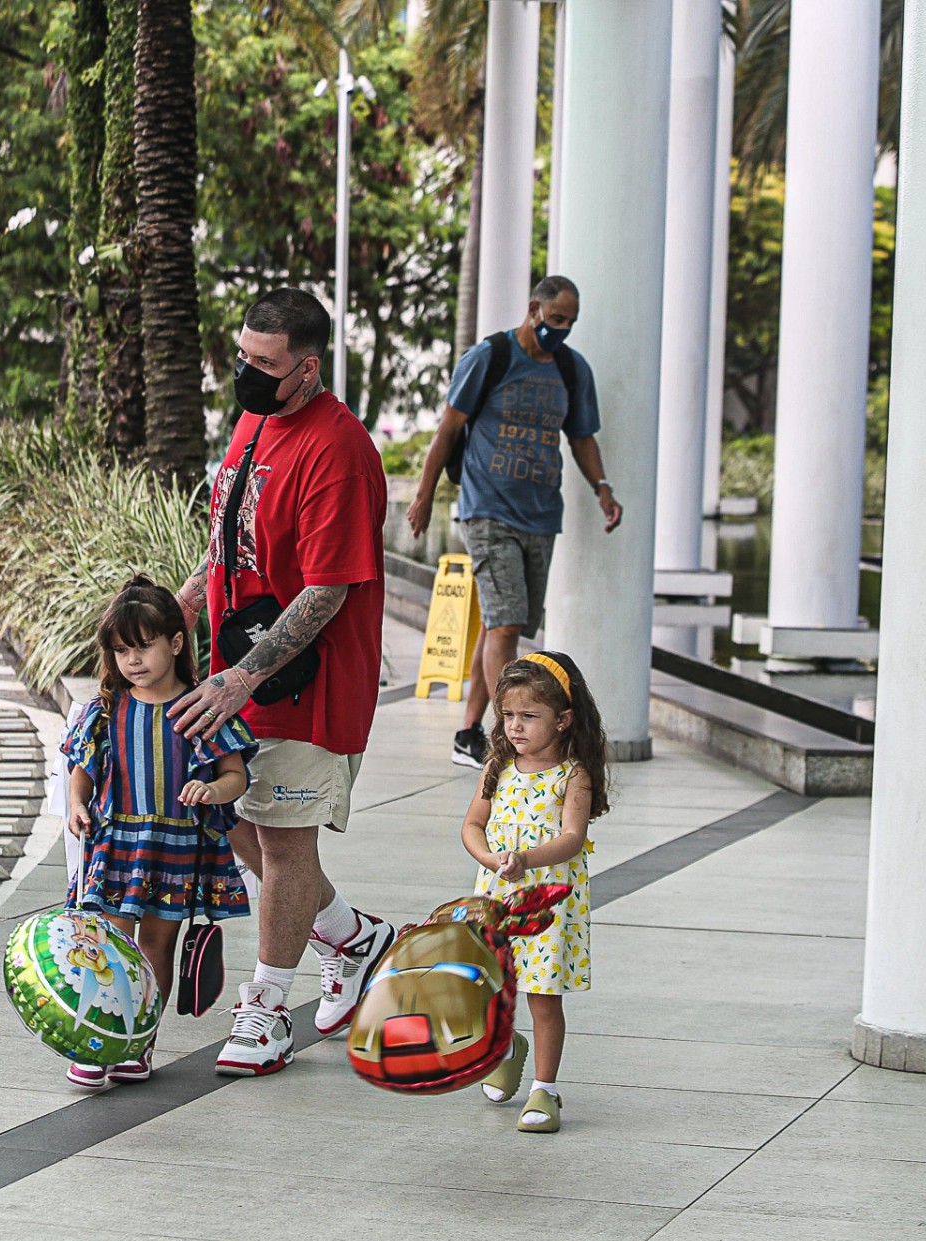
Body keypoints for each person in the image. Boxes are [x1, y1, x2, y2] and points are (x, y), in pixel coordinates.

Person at [167, 286, 397, 1077]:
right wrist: (187, 601)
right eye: (242, 356)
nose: (247, 374)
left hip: (307, 683)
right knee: (235, 821)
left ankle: (266, 1009)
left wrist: (242, 678)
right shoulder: (252, 420)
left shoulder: (339, 448)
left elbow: (328, 590)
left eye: (264, 364)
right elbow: (228, 533)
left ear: (307, 366)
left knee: (281, 842)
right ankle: (354, 937)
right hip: (238, 674)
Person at [405, 277, 623, 768]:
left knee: (509, 625)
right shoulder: (491, 357)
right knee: (504, 622)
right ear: (534, 310)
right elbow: (449, 429)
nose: (562, 330)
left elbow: (583, 437)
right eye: (556, 319)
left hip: (542, 513)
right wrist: (424, 496)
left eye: (570, 323)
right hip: (487, 509)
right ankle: (509, 734)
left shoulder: (570, 370)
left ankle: (469, 732)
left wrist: (603, 489)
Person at [63, 576, 255, 1091]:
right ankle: (96, 1042)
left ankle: (138, 1042)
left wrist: (214, 792)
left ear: (174, 642)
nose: (133, 660)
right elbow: (81, 771)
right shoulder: (106, 709)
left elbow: (234, 775)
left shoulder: (200, 708)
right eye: (122, 650)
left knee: (155, 949)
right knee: (105, 948)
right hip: (116, 845)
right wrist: (78, 806)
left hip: (174, 851)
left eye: (144, 646)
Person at [461, 651, 604, 1134]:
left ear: (563, 720)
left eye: (529, 716)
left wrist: (525, 860)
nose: (515, 727)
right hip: (497, 899)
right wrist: (487, 859)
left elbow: (570, 838)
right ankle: (508, 1048)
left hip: (548, 903)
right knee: (493, 989)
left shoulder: (572, 774)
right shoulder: (498, 765)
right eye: (507, 716)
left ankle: (546, 1088)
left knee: (542, 996)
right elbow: (473, 824)